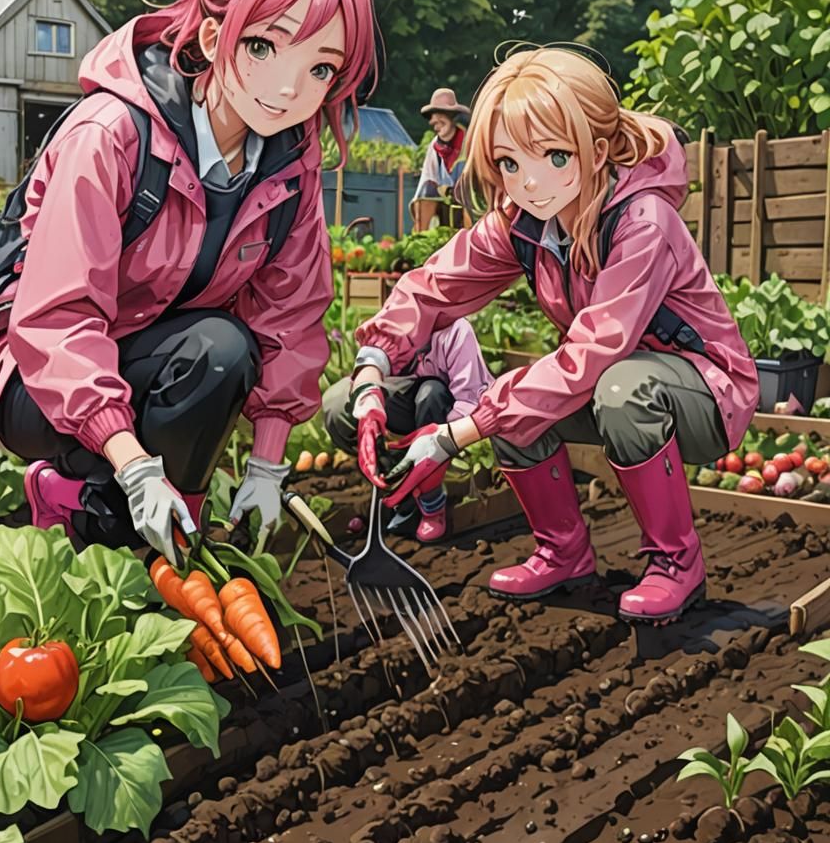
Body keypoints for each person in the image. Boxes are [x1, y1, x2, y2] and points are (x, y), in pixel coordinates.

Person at [0, 0, 378, 566]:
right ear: (215, 36)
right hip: (35, 378)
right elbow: (56, 320)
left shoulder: (288, 168)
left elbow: (291, 317)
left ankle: (162, 533)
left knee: (225, 351)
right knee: (213, 352)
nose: (289, 88)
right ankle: (91, 495)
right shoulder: (110, 135)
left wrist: (268, 466)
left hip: (151, 355)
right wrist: (133, 466)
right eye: (264, 48)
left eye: (321, 67)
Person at [347, 47, 759, 625]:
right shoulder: (527, 222)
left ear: (595, 151)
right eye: (510, 163)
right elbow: (433, 285)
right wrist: (372, 369)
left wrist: (452, 435)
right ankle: (563, 552)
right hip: (612, 378)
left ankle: (676, 562)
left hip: (706, 390)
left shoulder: (643, 222)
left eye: (554, 156)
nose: (530, 182)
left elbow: (597, 349)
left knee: (611, 389)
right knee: (518, 397)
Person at [323, 318, 491, 542]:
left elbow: (468, 398)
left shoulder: (456, 331)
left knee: (431, 393)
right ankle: (389, 485)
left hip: (440, 409)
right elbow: (371, 363)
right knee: (337, 401)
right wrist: (369, 401)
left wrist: (442, 439)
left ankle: (430, 502)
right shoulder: (394, 318)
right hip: (403, 396)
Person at [411, 87, 469, 232]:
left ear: (452, 118)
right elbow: (427, 180)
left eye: (441, 120)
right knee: (426, 193)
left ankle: (471, 240)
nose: (436, 124)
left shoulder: (469, 142)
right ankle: (421, 236)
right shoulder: (434, 147)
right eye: (434, 121)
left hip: (468, 207)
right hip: (443, 206)